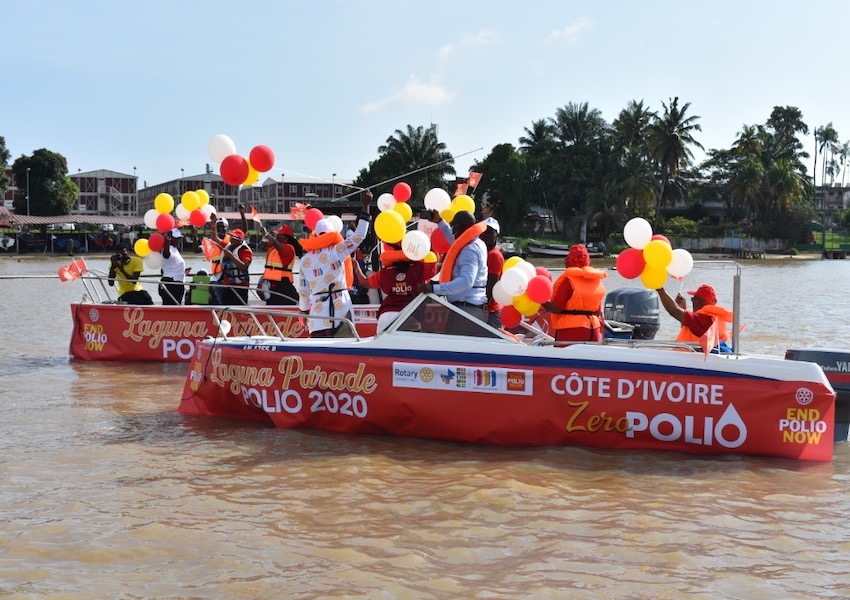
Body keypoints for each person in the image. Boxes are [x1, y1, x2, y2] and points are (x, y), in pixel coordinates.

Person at [298, 190, 373, 337]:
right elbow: (359, 235)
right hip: (341, 312)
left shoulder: (304, 260)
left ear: (316, 235)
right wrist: (365, 205)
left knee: (319, 358)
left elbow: (303, 293)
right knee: (345, 354)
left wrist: (303, 312)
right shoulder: (336, 251)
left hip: (317, 318)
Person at [418, 210, 488, 334]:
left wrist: (434, 289)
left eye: (454, 227)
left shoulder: (469, 250)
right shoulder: (475, 242)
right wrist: (439, 221)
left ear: (460, 228)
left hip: (466, 312)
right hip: (469, 310)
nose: (452, 231)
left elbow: (466, 282)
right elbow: (454, 239)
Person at [353, 243, 438, 333]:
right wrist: (429, 245)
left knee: (384, 346)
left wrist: (357, 268)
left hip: (387, 315)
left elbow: (364, 283)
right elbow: (434, 265)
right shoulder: (420, 268)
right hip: (411, 315)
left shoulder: (384, 273)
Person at [543, 244, 607, 343]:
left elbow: (557, 308)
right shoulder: (596, 280)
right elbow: (598, 312)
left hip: (572, 330)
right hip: (593, 329)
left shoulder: (568, 280)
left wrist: (540, 300)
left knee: (565, 357)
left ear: (570, 260)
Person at [656, 284, 734, 352]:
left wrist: (659, 288)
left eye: (693, 299)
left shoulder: (702, 320)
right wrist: (684, 309)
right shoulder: (712, 318)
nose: (692, 302)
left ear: (699, 302)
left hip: (690, 363)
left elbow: (674, 311)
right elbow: (692, 331)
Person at [207, 203, 248, 304]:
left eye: (223, 227)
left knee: (226, 303)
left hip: (228, 277)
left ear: (227, 228)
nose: (221, 229)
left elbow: (243, 231)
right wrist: (213, 223)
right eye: (218, 227)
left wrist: (242, 214)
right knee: (217, 302)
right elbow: (214, 238)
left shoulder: (230, 240)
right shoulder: (215, 241)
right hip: (217, 276)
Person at [259, 224, 299, 305]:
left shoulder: (289, 248)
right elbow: (270, 243)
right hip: (273, 283)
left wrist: (266, 234)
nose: (276, 236)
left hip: (283, 283)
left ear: (286, 239)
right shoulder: (274, 247)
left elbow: (274, 242)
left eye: (279, 235)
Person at [479, 217, 504, 329]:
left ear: (496, 235)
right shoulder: (483, 252)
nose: (486, 235)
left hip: (491, 311)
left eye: (490, 232)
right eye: (484, 231)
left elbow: (491, 285)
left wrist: (481, 307)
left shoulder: (494, 256)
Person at [215, 228, 253, 305]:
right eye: (231, 237)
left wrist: (231, 256)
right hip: (227, 285)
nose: (231, 239)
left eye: (234, 238)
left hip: (240, 287)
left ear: (240, 240)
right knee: (226, 309)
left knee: (239, 309)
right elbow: (215, 239)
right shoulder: (228, 246)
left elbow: (244, 267)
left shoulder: (245, 251)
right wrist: (213, 225)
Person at [159, 228, 186, 305]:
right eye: (176, 239)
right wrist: (167, 241)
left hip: (178, 283)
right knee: (171, 307)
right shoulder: (168, 249)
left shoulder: (175, 250)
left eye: (179, 238)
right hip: (171, 282)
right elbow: (166, 254)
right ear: (171, 238)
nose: (178, 241)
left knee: (177, 307)